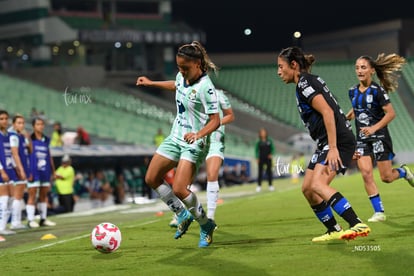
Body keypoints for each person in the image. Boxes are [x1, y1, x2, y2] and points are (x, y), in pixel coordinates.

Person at [277, 46, 370, 242]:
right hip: (327, 142)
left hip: (333, 141)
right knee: (308, 189)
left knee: (318, 185)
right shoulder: (307, 82)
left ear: (293, 65)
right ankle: (334, 229)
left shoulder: (304, 84)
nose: (278, 72)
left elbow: (328, 112)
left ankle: (356, 223)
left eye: (280, 67)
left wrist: (336, 148)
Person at [136, 40, 220, 248]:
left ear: (198, 64)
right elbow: (176, 85)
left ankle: (205, 224)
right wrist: (151, 83)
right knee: (151, 177)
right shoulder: (182, 77)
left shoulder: (206, 88)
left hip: (195, 141)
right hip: (176, 136)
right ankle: (182, 214)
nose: (181, 72)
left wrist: (198, 134)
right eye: (179, 67)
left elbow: (215, 120)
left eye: (185, 68)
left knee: (180, 188)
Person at [345, 54, 413, 222]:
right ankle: (379, 212)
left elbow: (391, 114)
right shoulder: (352, 91)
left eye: (363, 67)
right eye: (357, 67)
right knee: (366, 174)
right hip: (362, 139)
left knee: (386, 177)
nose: (359, 71)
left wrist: (373, 128)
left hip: (379, 137)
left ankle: (404, 172)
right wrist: (348, 116)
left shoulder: (378, 91)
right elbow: (357, 108)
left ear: (372, 71)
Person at [204, 89, 235, 221]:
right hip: (197, 139)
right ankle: (180, 213)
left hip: (215, 140)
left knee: (212, 175)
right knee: (186, 180)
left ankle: (210, 217)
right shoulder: (189, 91)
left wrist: (216, 123)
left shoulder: (218, 94)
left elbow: (230, 116)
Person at [26, 117, 56, 228]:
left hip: (45, 171)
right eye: (38, 124)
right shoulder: (29, 139)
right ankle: (30, 220)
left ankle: (43, 219)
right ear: (33, 126)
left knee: (44, 195)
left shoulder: (46, 139)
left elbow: (49, 156)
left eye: (42, 124)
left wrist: (53, 171)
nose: (41, 126)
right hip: (33, 171)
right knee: (32, 194)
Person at [9, 114, 32, 230]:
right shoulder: (12, 136)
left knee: (19, 196)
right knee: (16, 196)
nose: (21, 125)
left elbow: (30, 150)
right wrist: (20, 169)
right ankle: (15, 222)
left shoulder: (21, 136)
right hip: (16, 169)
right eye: (19, 123)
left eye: (23, 123)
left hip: (23, 167)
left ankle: (16, 221)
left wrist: (27, 137)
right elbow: (15, 154)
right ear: (13, 124)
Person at [0, 110, 17, 236]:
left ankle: (4, 226)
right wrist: (1, 170)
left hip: (10, 169)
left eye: (6, 118)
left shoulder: (9, 135)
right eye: (1, 119)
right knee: (4, 198)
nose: (4, 121)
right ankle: (1, 227)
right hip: (2, 170)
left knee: (11, 198)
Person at [255, 127, 275, 192]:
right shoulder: (258, 141)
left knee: (269, 172)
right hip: (261, 158)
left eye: (264, 132)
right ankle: (259, 186)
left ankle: (270, 185)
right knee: (260, 172)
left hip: (268, 158)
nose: (263, 134)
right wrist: (257, 157)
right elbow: (256, 150)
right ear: (260, 134)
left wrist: (271, 154)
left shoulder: (269, 140)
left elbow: (273, 148)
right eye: (262, 132)